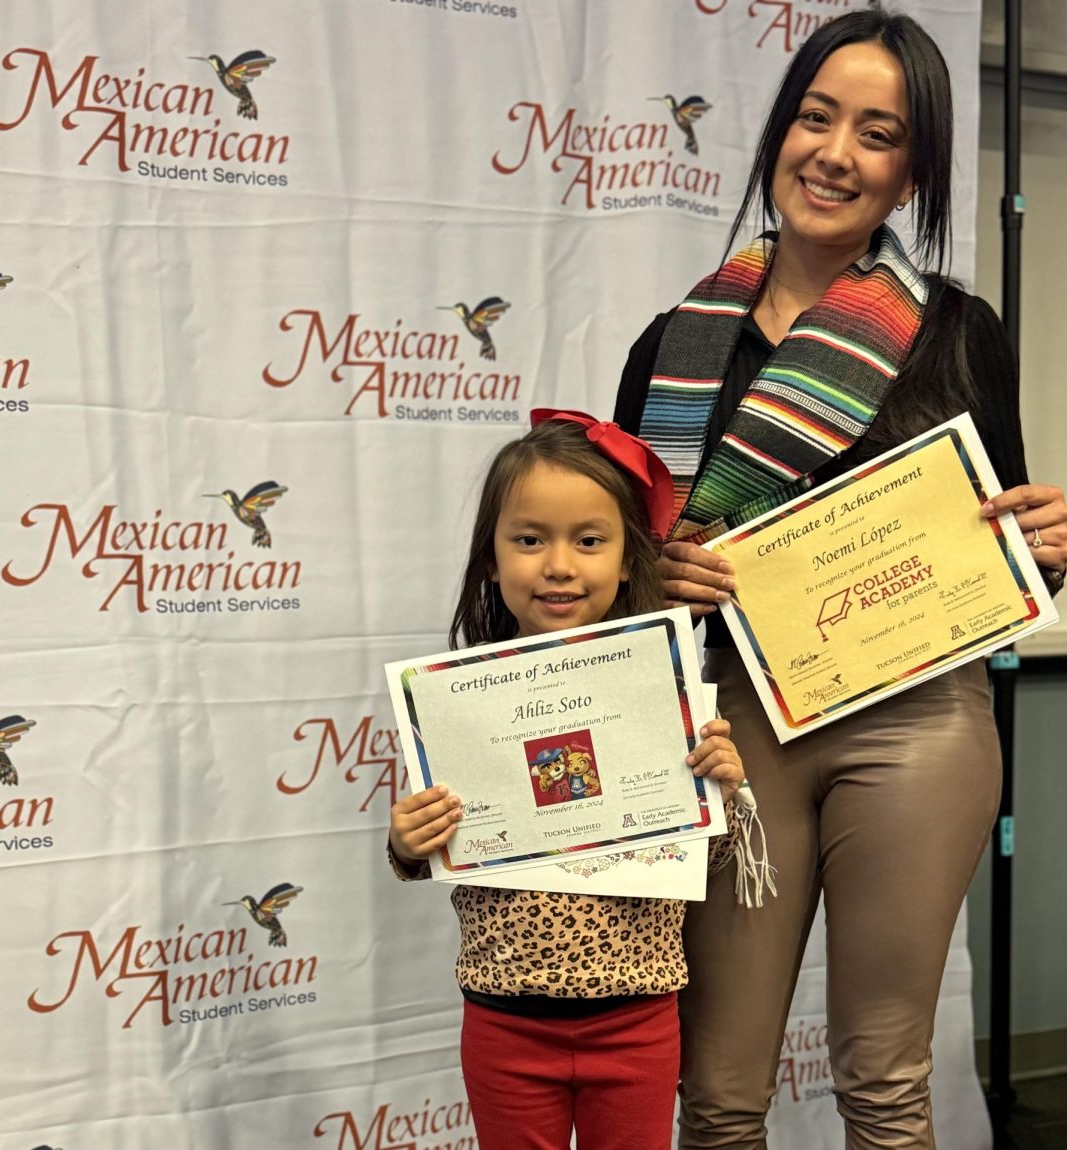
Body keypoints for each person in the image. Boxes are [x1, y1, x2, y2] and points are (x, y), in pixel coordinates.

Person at [613, 9, 1067, 1148]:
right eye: (816, 117)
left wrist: (1046, 540)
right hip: (730, 729)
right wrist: (656, 572)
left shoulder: (957, 333)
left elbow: (999, 559)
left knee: (884, 1085)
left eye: (878, 133)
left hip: (914, 724)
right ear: (778, 132)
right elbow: (612, 585)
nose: (836, 153)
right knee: (715, 1095)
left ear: (912, 169)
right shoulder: (671, 344)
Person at [388, 412, 747, 1150]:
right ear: (491, 557)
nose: (559, 565)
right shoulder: (458, 704)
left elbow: (708, 861)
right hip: (503, 1021)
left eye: (589, 540)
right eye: (529, 539)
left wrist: (723, 792)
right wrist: (405, 841)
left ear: (626, 560)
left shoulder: (663, 692)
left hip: (640, 1019)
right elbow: (429, 846)